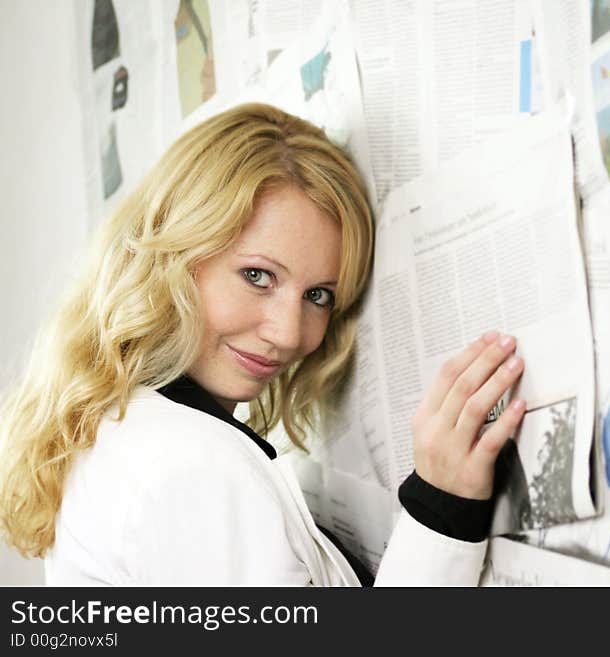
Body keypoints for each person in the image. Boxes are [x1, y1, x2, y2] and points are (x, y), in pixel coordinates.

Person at [0, 103, 526, 586]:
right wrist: (442, 509)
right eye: (257, 275)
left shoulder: (125, 425)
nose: (289, 333)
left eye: (318, 294)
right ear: (172, 256)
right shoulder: (190, 464)